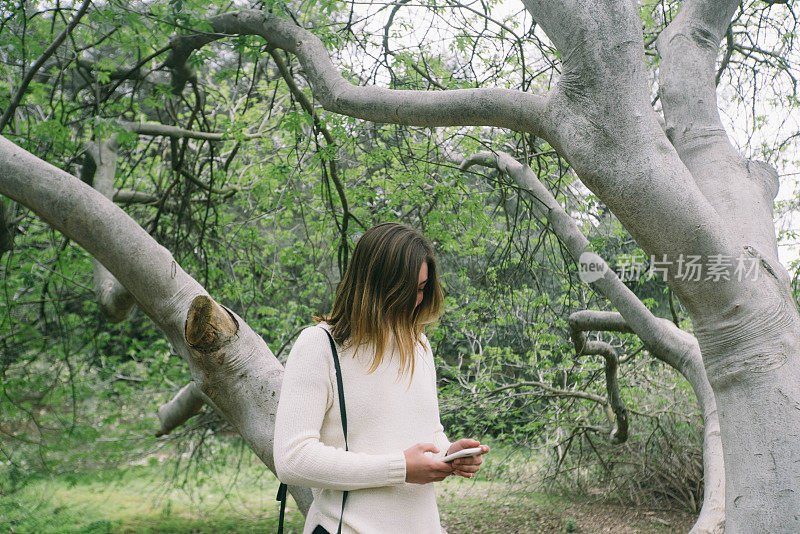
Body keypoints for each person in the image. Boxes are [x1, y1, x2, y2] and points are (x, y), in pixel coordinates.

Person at [273, 221, 490, 534]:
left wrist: (448, 454)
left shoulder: (419, 345)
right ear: (376, 285)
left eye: (422, 288)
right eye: (408, 290)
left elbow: (427, 431)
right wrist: (399, 468)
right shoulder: (320, 345)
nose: (417, 299)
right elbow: (292, 458)